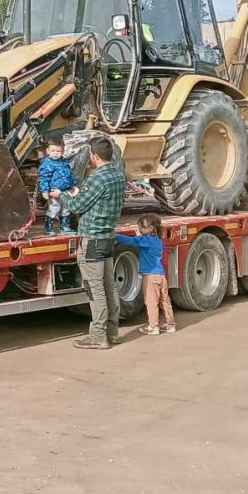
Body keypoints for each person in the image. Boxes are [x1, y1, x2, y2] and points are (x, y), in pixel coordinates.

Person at [55, 135, 126, 349]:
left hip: (93, 240)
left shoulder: (97, 178)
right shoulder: (118, 175)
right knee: (109, 287)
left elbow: (77, 206)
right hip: (107, 238)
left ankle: (97, 335)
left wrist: (61, 195)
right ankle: (112, 332)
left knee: (96, 290)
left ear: (94, 156)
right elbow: (94, 199)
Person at [117, 213, 174, 335]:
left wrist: (114, 235)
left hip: (150, 276)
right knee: (165, 300)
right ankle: (170, 324)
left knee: (151, 302)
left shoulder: (145, 240)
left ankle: (153, 327)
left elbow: (129, 240)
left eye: (141, 227)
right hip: (161, 275)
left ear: (151, 228)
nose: (139, 230)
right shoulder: (158, 241)